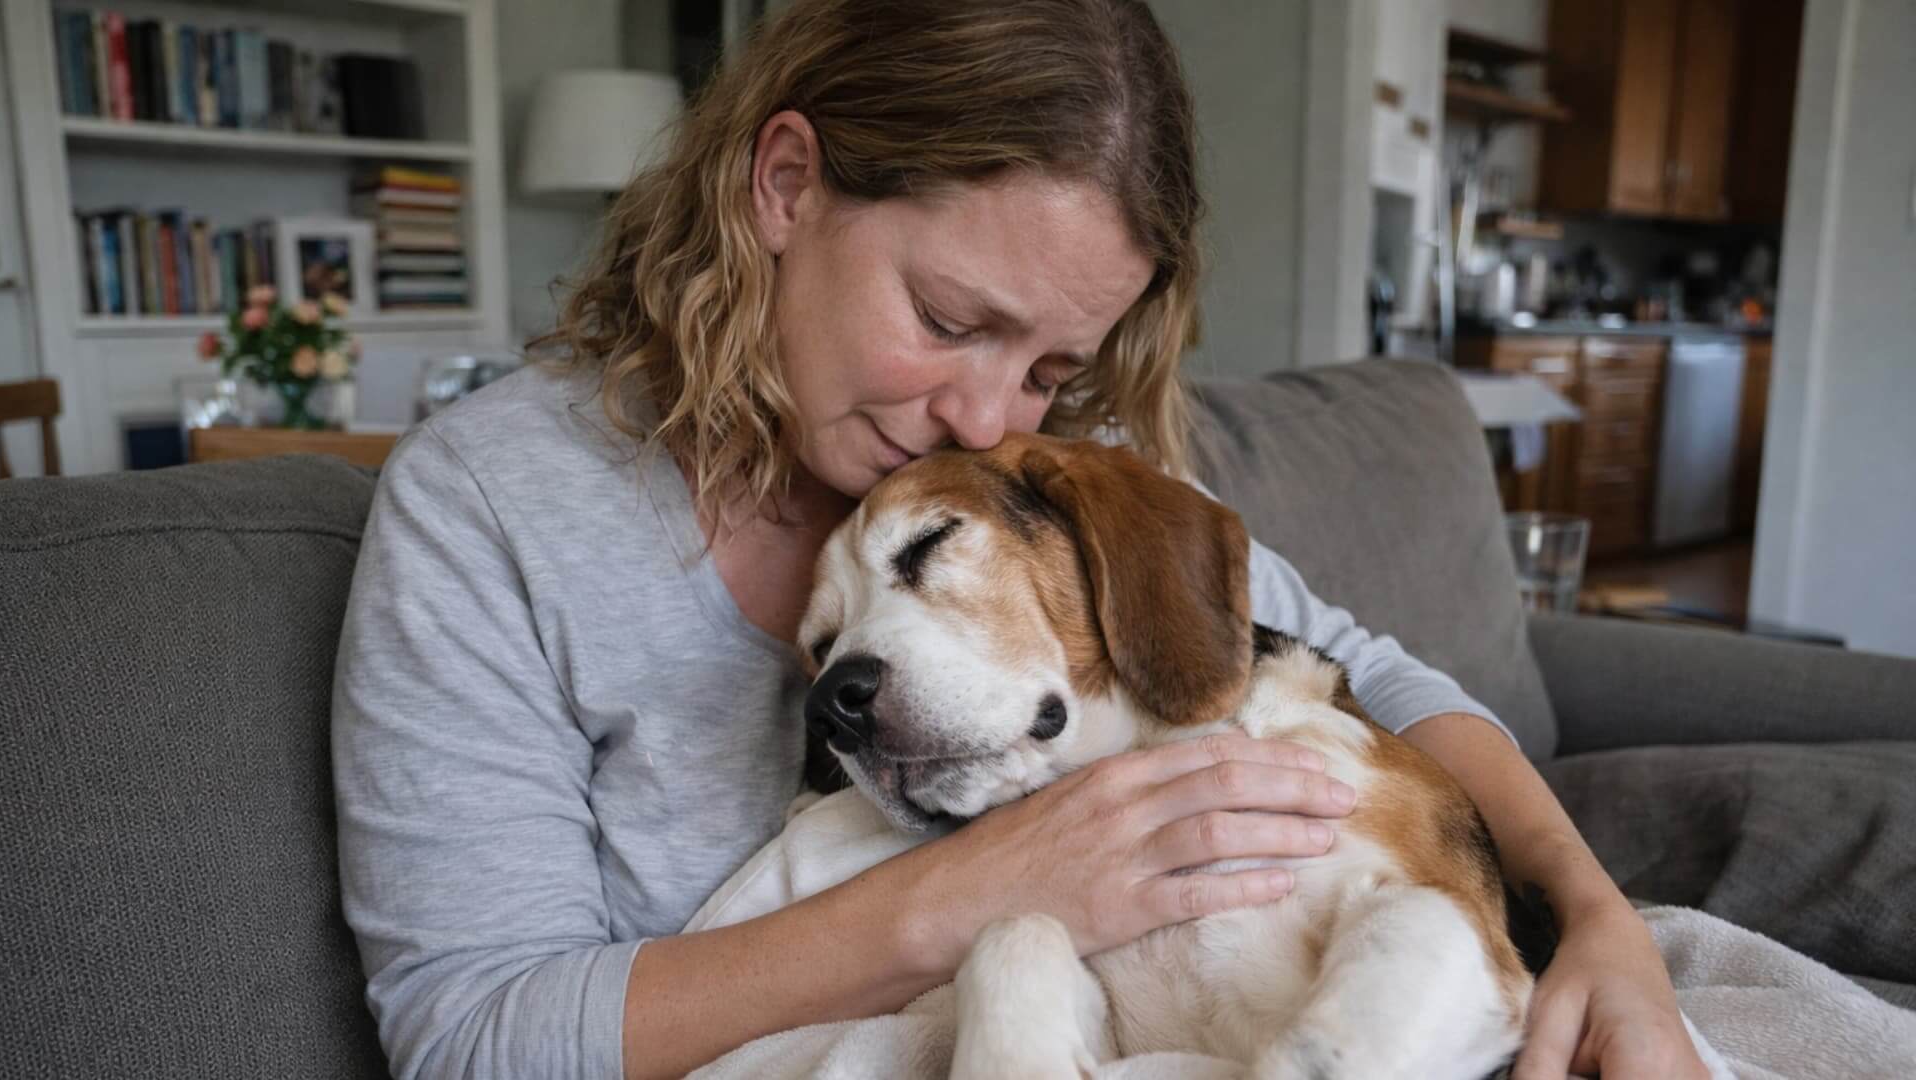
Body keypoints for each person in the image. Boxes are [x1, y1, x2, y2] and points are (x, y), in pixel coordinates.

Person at [331, 2, 1709, 1078]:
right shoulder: (493, 508)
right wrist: (973, 894)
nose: (986, 410)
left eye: (1050, 364)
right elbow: (473, 1033)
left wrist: (1600, 924)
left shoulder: (1028, 486)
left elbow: (1383, 682)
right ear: (787, 184)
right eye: (947, 318)